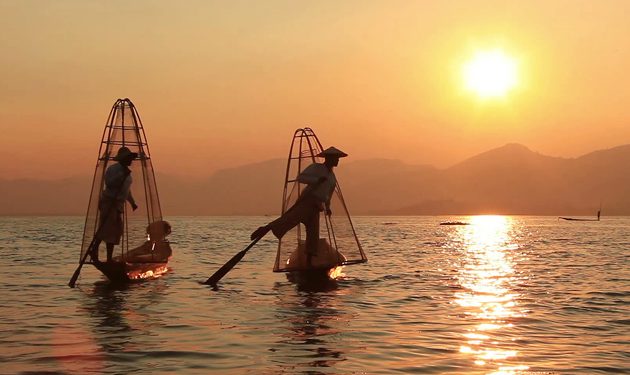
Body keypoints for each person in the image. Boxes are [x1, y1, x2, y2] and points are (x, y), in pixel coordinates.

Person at [250, 146, 348, 267]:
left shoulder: (332, 176)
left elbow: (329, 193)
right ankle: (265, 228)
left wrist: (328, 207)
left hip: (317, 206)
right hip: (307, 201)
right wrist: (316, 180)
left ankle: (309, 263)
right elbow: (301, 178)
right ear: (328, 159)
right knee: (290, 219)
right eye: (335, 158)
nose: (337, 161)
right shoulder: (317, 168)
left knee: (313, 235)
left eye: (338, 159)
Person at [91, 146, 139, 263]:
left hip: (118, 205)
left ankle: (108, 258)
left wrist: (132, 203)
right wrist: (122, 175)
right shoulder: (113, 169)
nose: (130, 161)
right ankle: (94, 250)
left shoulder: (128, 174)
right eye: (128, 159)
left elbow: (126, 191)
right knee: (106, 230)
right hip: (109, 202)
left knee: (114, 232)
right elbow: (110, 183)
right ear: (123, 159)